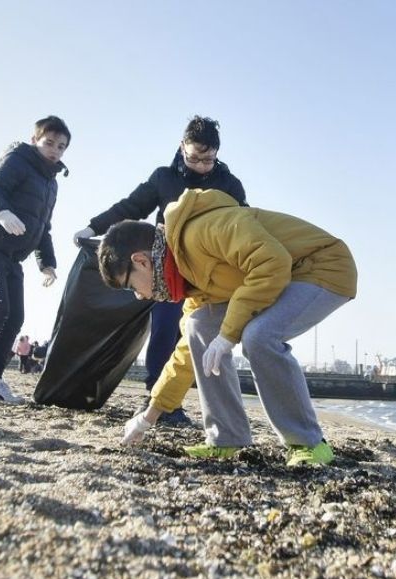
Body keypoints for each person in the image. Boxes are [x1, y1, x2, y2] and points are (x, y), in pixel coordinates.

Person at [96, 188, 358, 466]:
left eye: (130, 285)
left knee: (259, 336)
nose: (139, 295)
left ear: (142, 261)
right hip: (282, 277)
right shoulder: (190, 281)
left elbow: (272, 262)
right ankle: (226, 438)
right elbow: (186, 354)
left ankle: (309, 444)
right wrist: (149, 416)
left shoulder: (205, 230)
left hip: (322, 266)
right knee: (198, 326)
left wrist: (228, 334)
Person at [73, 116, 246, 426]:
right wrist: (93, 227)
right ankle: (159, 398)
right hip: (166, 272)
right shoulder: (164, 178)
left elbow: (244, 225)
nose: (201, 166)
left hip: (210, 274)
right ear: (182, 148)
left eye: (208, 159)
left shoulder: (230, 186)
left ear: (217, 154)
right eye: (194, 157)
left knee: (200, 334)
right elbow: (130, 207)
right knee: (166, 330)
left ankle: (197, 406)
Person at [0, 116, 71, 403]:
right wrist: (2, 213)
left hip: (13, 258)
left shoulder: (51, 183)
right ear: (35, 140)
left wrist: (47, 263)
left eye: (61, 146)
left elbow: (43, 227)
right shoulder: (18, 160)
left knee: (15, 317)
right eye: (49, 143)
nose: (55, 150)